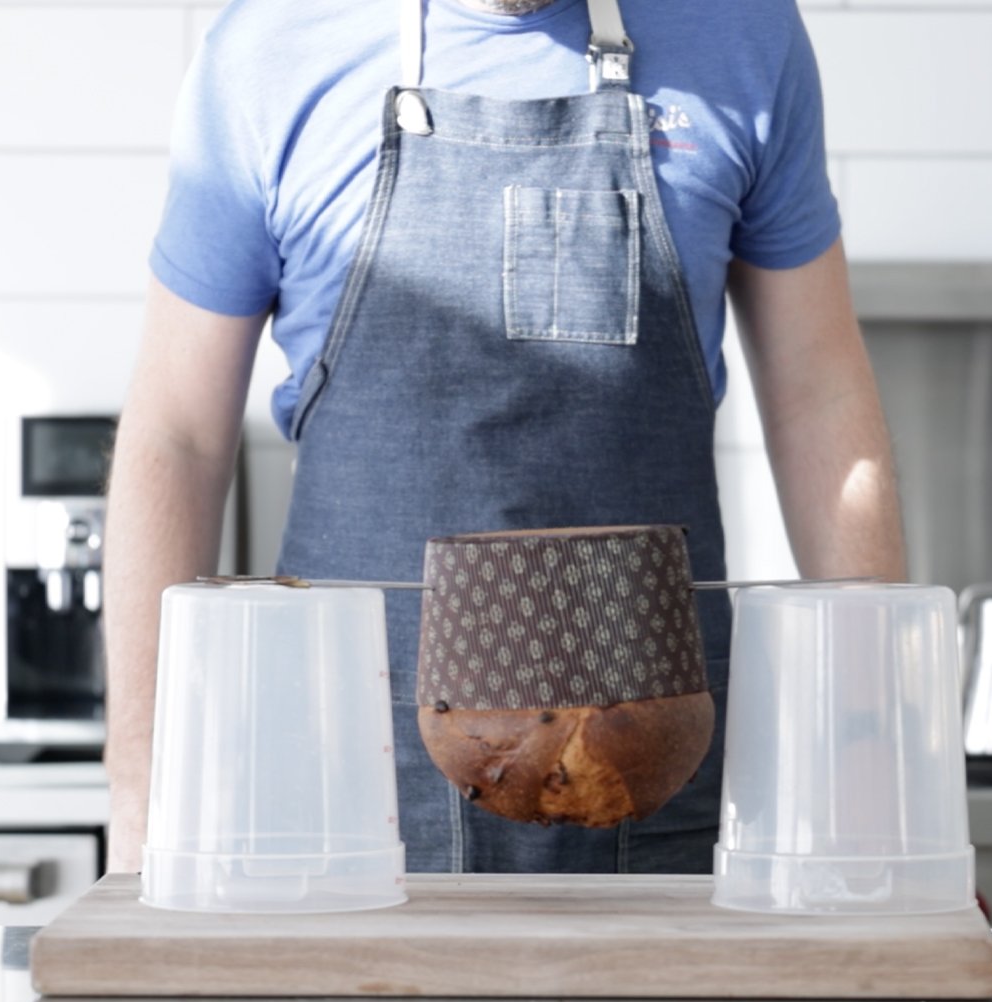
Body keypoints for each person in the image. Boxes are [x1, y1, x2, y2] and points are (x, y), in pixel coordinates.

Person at [104, 0, 907, 875]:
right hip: (341, 791)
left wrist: (871, 750)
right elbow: (176, 436)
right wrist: (142, 781)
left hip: (654, 781)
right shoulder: (266, 49)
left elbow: (821, 400)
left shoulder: (742, 33)